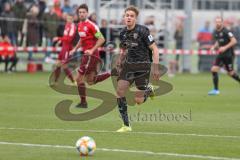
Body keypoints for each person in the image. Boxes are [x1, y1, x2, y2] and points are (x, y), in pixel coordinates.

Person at [114, 6, 160, 132]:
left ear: (135, 18)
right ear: (124, 17)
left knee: (138, 100)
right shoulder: (123, 32)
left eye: (131, 15)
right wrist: (120, 59)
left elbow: (155, 49)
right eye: (127, 15)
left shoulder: (143, 30)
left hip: (143, 65)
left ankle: (147, 90)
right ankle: (126, 125)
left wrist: (156, 68)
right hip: (129, 65)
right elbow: (124, 48)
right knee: (119, 91)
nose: (128, 17)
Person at [70, 4, 111, 108]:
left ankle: (83, 103)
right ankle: (111, 73)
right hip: (86, 55)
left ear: (87, 13)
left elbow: (101, 39)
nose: (81, 14)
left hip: (92, 56)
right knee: (90, 81)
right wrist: (75, 48)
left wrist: (92, 50)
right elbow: (82, 39)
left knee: (79, 79)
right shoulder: (79, 25)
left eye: (83, 12)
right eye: (80, 12)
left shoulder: (91, 25)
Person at [208, 17, 240, 95]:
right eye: (216, 22)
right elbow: (218, 41)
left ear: (222, 23)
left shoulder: (226, 31)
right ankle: (216, 90)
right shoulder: (215, 31)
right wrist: (213, 47)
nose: (218, 23)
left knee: (231, 73)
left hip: (228, 55)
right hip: (221, 54)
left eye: (219, 22)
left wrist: (225, 47)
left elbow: (234, 41)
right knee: (214, 69)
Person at [52, 13, 76, 84]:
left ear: (73, 19)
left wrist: (58, 38)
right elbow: (65, 36)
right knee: (57, 64)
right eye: (67, 18)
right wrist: (59, 42)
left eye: (70, 19)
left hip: (67, 48)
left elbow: (68, 39)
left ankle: (73, 81)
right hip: (63, 47)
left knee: (64, 65)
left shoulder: (73, 27)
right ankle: (55, 81)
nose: (68, 20)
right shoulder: (67, 25)